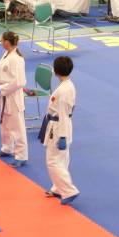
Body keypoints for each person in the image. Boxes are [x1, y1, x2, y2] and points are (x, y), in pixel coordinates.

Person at [42, 56, 79, 205]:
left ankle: (69, 190)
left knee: (52, 161)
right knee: (62, 159)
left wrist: (62, 136)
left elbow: (62, 113)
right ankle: (58, 187)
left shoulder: (63, 90)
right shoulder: (68, 85)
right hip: (62, 124)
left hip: (58, 127)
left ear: (56, 70)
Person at [0, 31, 27, 168]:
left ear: (6, 42)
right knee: (5, 124)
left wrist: (1, 88)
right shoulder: (6, 54)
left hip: (13, 97)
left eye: (1, 40)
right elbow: (1, 73)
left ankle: (21, 156)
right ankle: (7, 148)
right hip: (4, 94)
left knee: (17, 128)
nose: (1, 42)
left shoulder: (17, 59)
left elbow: (19, 81)